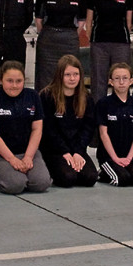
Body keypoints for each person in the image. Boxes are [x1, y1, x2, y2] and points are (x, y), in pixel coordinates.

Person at [0, 61, 51, 194]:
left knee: (41, 184)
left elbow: (37, 129)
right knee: (15, 185)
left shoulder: (33, 96)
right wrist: (11, 159)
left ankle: (21, 173)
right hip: (0, 154)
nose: (14, 85)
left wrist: (29, 156)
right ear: (1, 80)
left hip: (27, 151)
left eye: (19, 81)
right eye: (9, 81)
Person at [39, 55, 98, 188]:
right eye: (67, 75)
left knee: (90, 178)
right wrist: (65, 152)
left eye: (75, 74)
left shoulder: (86, 97)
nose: (72, 78)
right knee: (68, 178)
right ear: (60, 75)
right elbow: (48, 129)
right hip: (54, 150)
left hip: (76, 149)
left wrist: (78, 152)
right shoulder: (47, 96)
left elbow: (88, 128)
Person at [85, 0, 133, 102]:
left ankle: (122, 112)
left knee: (121, 80)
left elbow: (129, 22)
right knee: (98, 81)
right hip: (99, 44)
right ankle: (97, 116)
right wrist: (90, 38)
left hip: (121, 43)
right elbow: (89, 21)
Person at [34, 0, 86, 91]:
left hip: (70, 41)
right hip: (48, 42)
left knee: (70, 76)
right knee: (45, 79)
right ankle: (45, 109)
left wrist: (70, 34)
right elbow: (38, 20)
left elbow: (81, 21)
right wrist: (49, 33)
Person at [95, 63, 133, 187]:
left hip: (130, 157)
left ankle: (125, 167)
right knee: (122, 180)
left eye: (125, 78)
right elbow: (103, 134)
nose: (121, 82)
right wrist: (115, 158)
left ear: (131, 81)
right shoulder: (103, 104)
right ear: (111, 82)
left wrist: (129, 158)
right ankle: (103, 172)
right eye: (117, 78)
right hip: (109, 157)